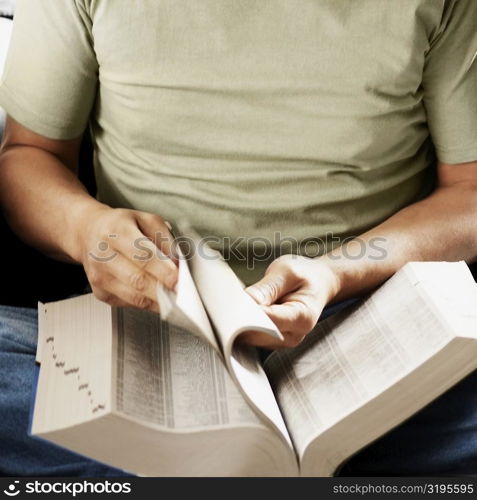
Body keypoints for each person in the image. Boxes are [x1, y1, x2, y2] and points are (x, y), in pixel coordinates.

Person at [0, 0, 476, 476]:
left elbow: (468, 192)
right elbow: (29, 154)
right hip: (151, 318)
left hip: (365, 320)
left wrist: (336, 274)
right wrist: (85, 229)